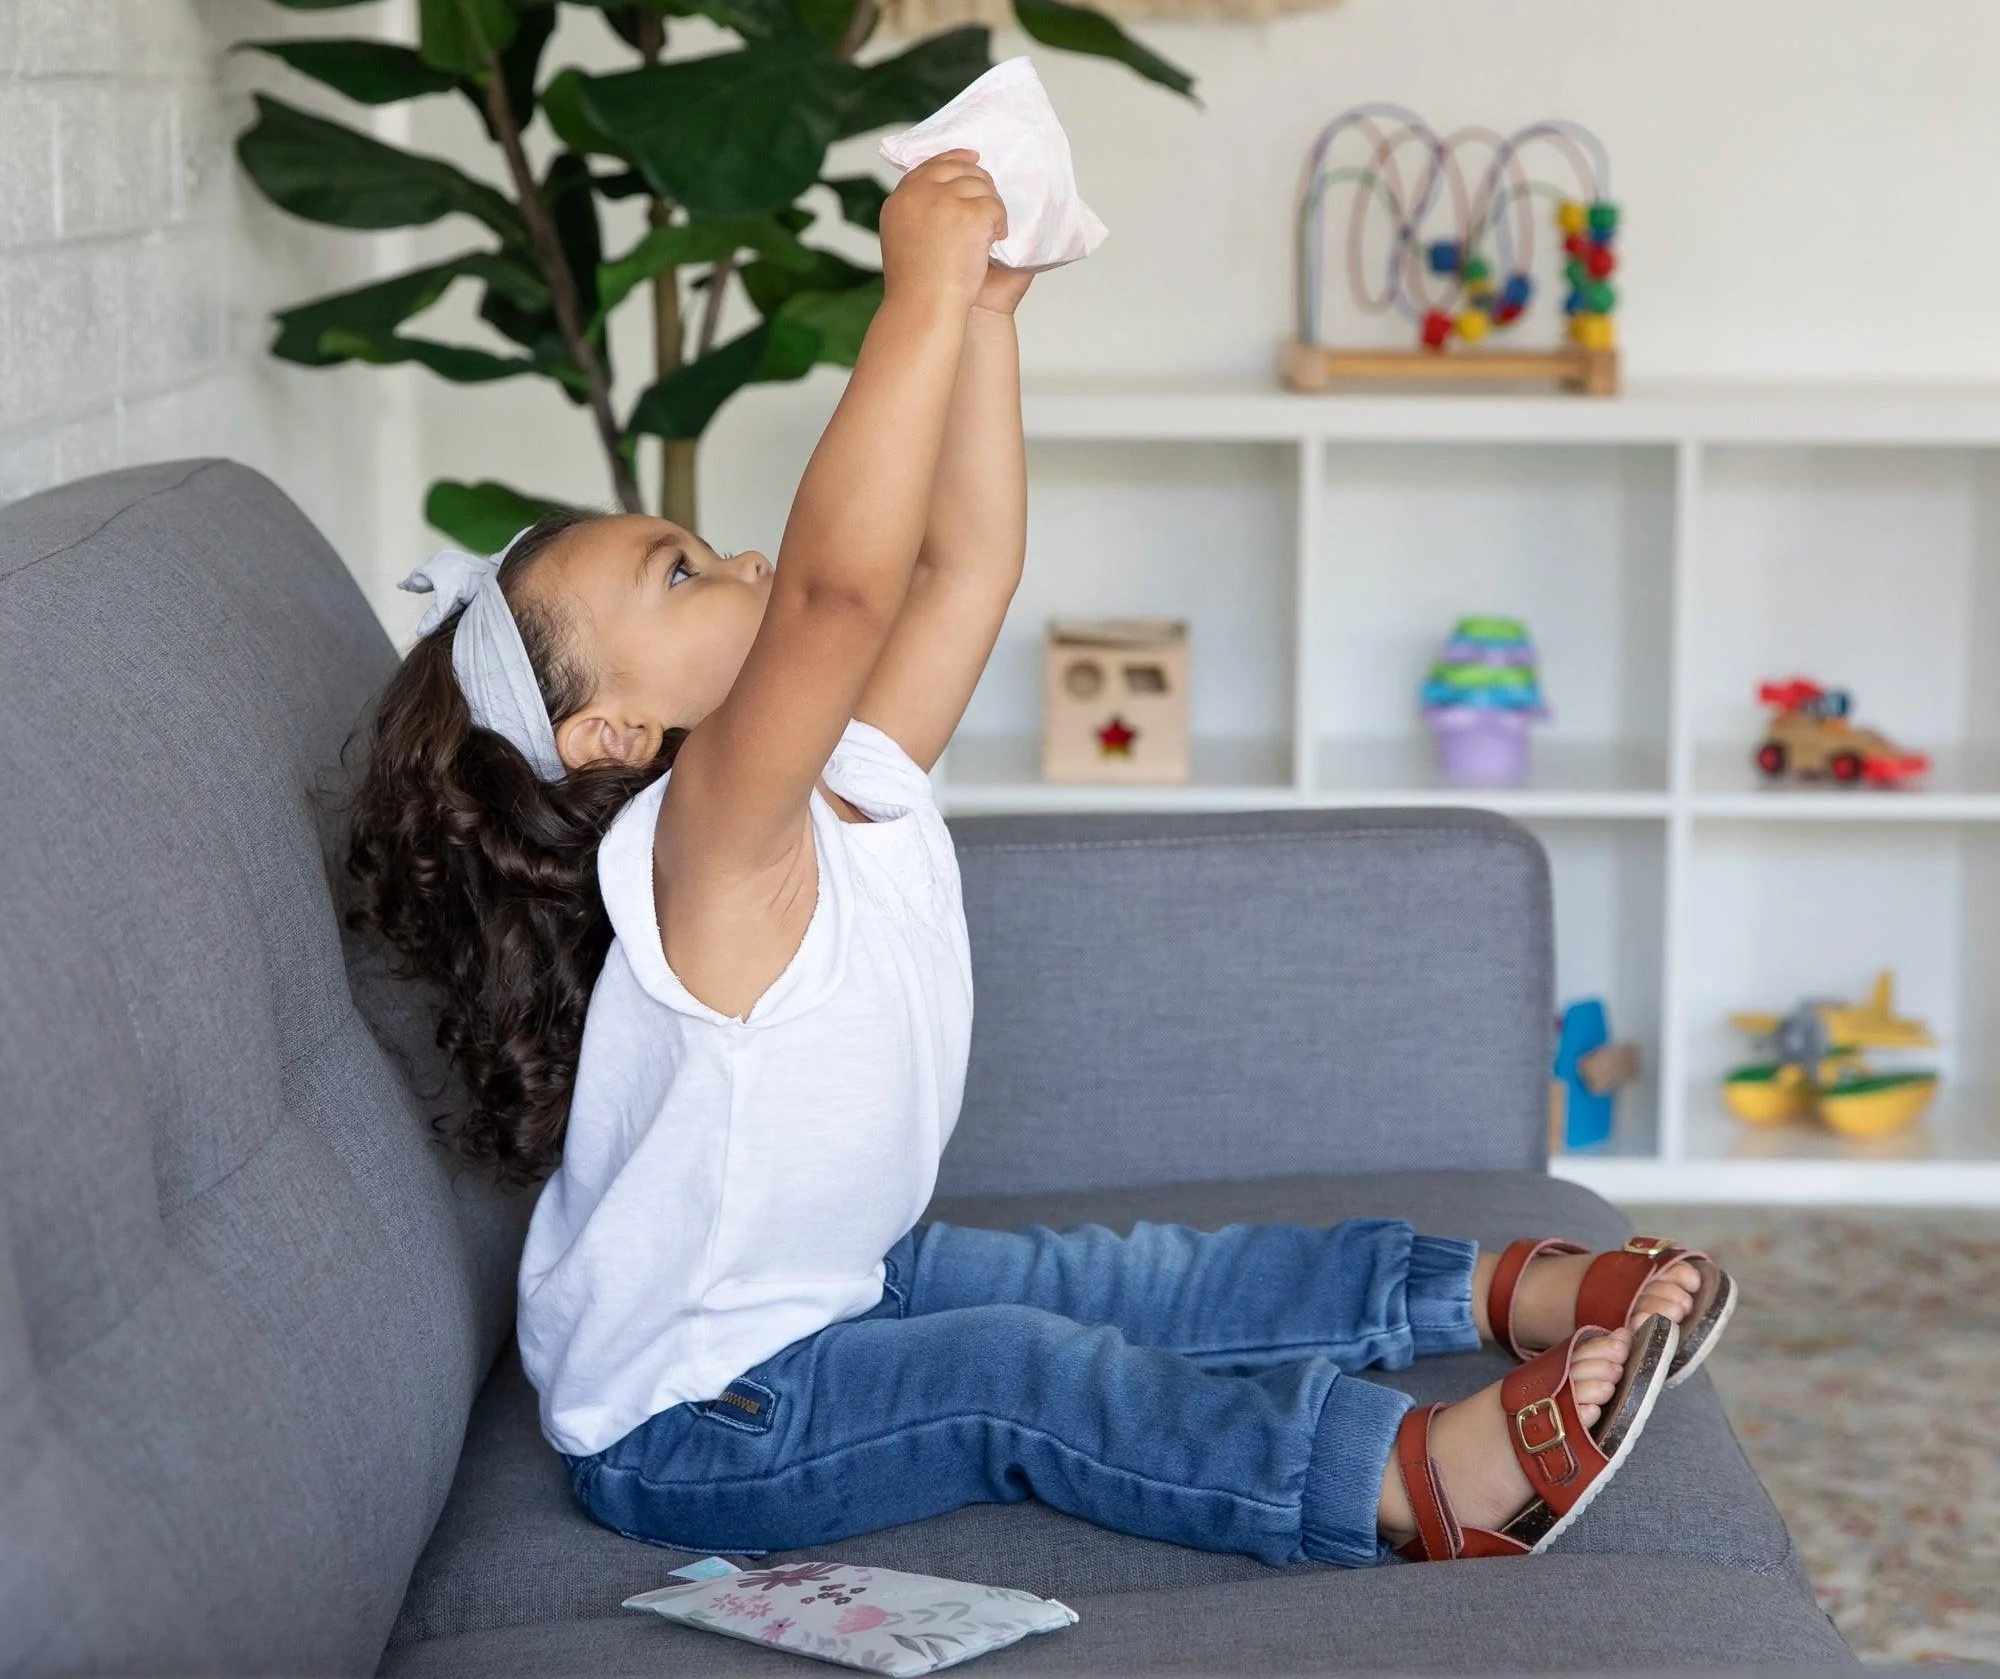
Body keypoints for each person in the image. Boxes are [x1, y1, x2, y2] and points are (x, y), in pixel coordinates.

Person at [345, 148, 1734, 1569]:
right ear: (611, 733)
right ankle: (1400, 1477)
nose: (745, 564)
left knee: (1115, 1279)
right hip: (699, 1420)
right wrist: (915, 303)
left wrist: (991, 323)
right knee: (1021, 1365)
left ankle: (1485, 1288)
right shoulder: (698, 851)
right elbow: (839, 590)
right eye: (683, 575)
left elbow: (965, 574)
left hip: (831, 1287)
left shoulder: (846, 777)